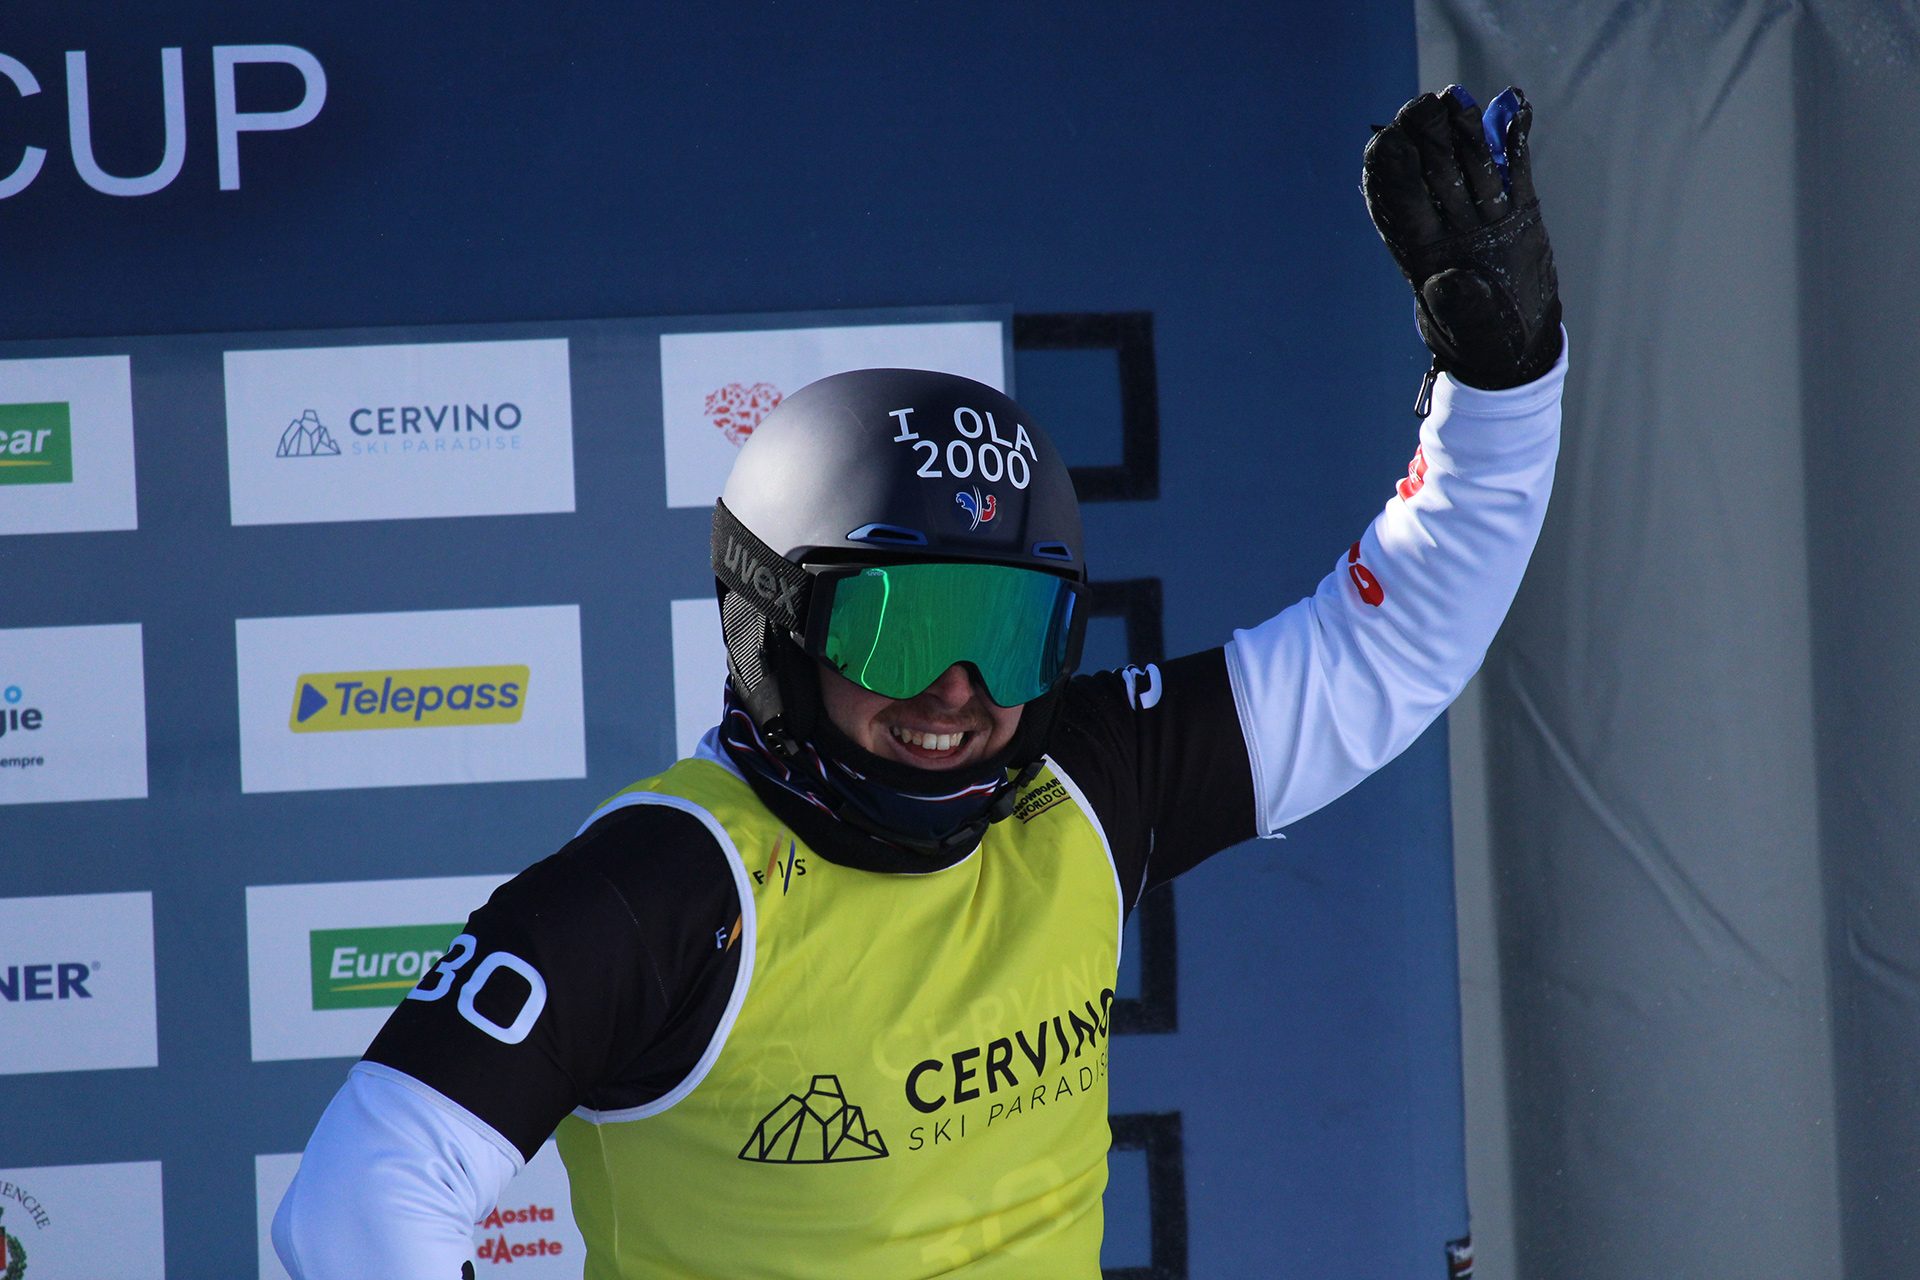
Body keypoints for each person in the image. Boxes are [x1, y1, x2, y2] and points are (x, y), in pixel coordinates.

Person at [273, 85, 1566, 1279]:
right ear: (779, 631)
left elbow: (1389, 645)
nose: (958, 692)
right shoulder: (667, 891)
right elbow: (358, 1201)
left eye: (1008, 633)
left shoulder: (1080, 787)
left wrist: (1502, 384)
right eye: (901, 630)